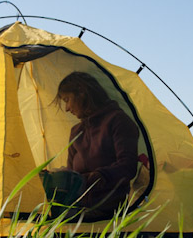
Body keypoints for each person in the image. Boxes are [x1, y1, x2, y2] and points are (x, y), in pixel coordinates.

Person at [54, 71, 139, 221]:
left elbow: (128, 166)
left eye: (67, 100)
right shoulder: (76, 132)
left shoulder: (118, 121)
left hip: (108, 211)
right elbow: (72, 174)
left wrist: (100, 176)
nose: (67, 108)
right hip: (78, 208)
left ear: (81, 92)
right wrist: (55, 179)